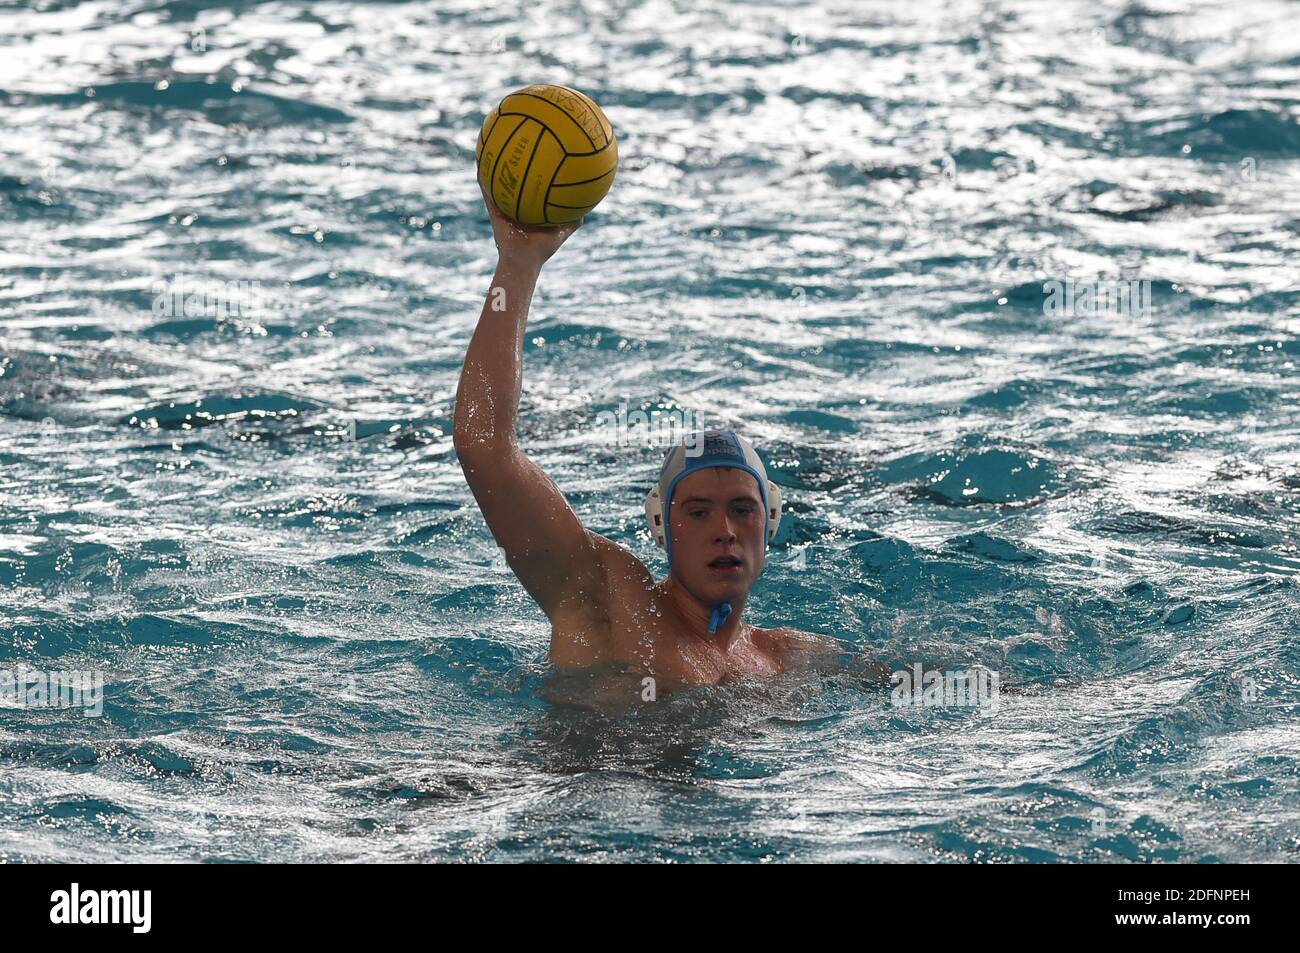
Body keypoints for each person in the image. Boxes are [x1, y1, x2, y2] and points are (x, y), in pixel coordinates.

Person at [453, 186, 840, 687]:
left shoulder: (785, 657)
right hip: (562, 770)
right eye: (697, 512)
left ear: (771, 522)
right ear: (661, 525)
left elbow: (922, 680)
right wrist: (519, 263)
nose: (724, 529)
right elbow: (483, 445)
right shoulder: (611, 603)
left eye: (742, 509)